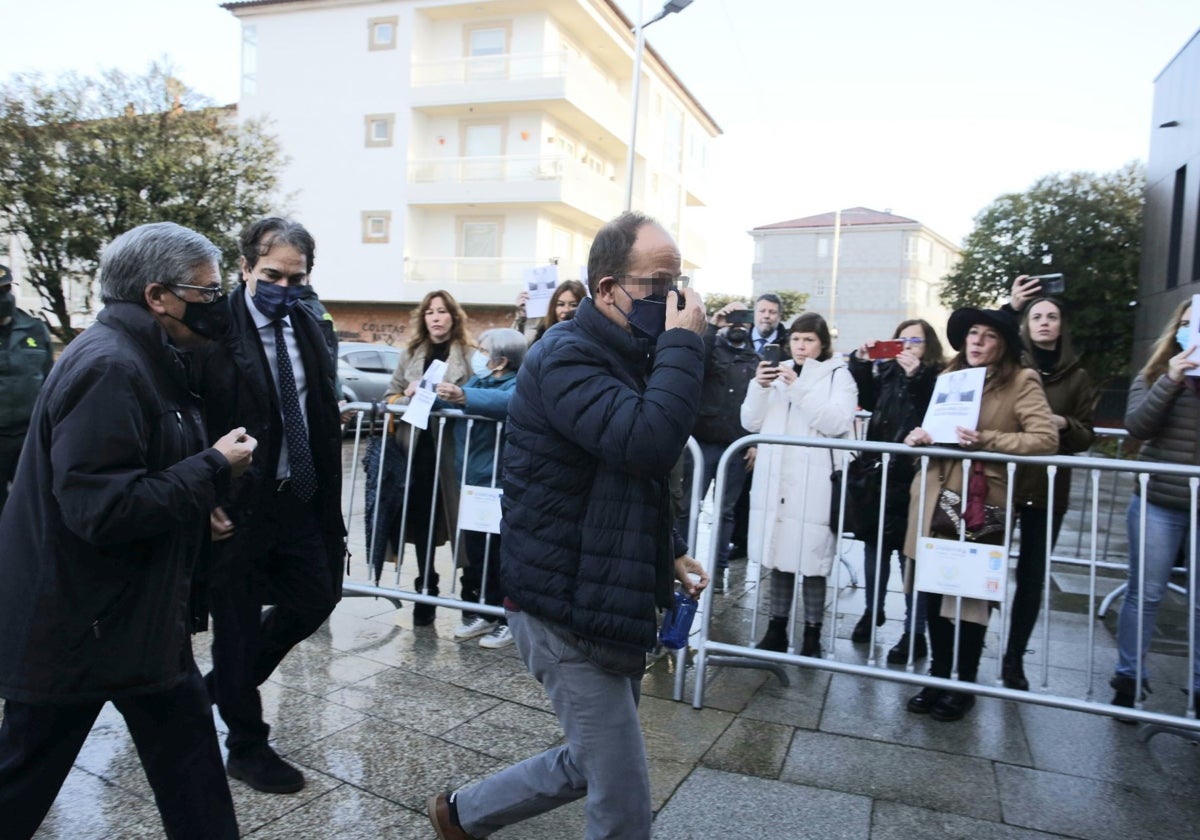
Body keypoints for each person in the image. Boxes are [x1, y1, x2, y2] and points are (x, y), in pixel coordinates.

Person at [426, 211, 709, 840]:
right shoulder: (565, 357)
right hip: (564, 605)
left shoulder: (632, 351)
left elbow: (624, 480)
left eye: (679, 282)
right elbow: (647, 443)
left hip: (606, 591)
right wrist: (684, 345)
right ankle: (462, 814)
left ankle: (463, 813)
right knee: (624, 799)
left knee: (593, 761)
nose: (676, 299)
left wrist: (669, 551)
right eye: (658, 285)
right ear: (607, 289)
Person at [0, 222, 256, 839]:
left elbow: (144, 469)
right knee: (21, 782)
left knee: (193, 774)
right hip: (78, 626)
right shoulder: (111, 365)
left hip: (137, 619)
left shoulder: (151, 356)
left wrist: (202, 506)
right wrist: (213, 465)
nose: (217, 302)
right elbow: (103, 510)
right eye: (206, 290)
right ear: (157, 295)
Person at [199, 217, 346, 794]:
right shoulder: (214, 328)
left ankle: (221, 687)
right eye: (271, 275)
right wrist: (203, 488)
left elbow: (317, 404)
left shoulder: (308, 321)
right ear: (244, 269)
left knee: (318, 595)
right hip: (237, 503)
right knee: (233, 626)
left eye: (297, 276)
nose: (284, 287)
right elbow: (186, 411)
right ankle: (246, 745)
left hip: (299, 496)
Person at [902, 307, 1056, 721]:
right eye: (973, 334)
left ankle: (964, 682)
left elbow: (1044, 438)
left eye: (988, 336)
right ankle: (937, 676)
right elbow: (939, 428)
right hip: (935, 493)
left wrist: (986, 440)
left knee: (970, 595)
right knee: (933, 590)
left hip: (979, 502)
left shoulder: (1022, 380)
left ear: (1003, 344)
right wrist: (921, 436)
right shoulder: (951, 377)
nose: (977, 342)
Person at [741, 312, 858, 657]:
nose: (801, 346)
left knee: (812, 558)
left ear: (822, 343)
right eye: (796, 339)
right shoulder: (778, 375)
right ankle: (776, 628)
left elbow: (837, 421)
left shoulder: (838, 376)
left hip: (814, 480)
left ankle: (812, 634)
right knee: (778, 553)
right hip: (777, 478)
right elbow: (751, 421)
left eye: (809, 339)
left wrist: (799, 388)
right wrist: (759, 387)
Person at [1002, 276, 1095, 690]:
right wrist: (1011, 305)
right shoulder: (1011, 364)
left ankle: (1014, 658)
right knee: (986, 567)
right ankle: (969, 647)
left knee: (1032, 576)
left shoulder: (1077, 377)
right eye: (1036, 315)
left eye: (1051, 316)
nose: (1043, 322)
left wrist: (1062, 424)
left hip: (1047, 490)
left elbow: (1086, 434)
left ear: (1061, 326)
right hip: (1002, 483)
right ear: (1025, 323)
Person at [1110, 298, 1200, 711]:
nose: (1191, 332)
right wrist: (1172, 380)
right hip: (1158, 502)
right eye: (1186, 324)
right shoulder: (1152, 373)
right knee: (1145, 594)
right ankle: (1129, 678)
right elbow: (1137, 426)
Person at [846, 319, 945, 658]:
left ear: (928, 343)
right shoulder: (886, 372)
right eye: (901, 339)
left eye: (915, 340)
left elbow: (933, 410)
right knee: (874, 550)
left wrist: (917, 375)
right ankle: (872, 610)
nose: (907, 345)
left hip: (914, 476)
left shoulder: (935, 376)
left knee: (910, 558)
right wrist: (861, 362)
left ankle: (914, 631)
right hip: (879, 473)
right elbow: (865, 397)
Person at [383, 289, 473, 625]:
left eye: (442, 311)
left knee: (460, 519)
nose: (436, 317)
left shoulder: (469, 353)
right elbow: (387, 396)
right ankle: (426, 587)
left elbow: (480, 394)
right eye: (430, 312)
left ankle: (470, 591)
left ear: (453, 316)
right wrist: (404, 394)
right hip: (416, 447)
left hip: (453, 448)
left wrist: (457, 395)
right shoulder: (410, 353)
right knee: (421, 517)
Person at [434, 328, 526, 650]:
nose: (478, 355)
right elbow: (450, 398)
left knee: (502, 553)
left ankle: (508, 619)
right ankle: (485, 611)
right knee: (477, 552)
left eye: (484, 351)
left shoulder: (519, 384)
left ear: (501, 361)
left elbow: (511, 402)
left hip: (500, 486)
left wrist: (464, 397)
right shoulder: (477, 381)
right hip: (472, 486)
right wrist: (425, 392)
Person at [675, 300, 761, 590]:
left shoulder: (757, 357)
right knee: (687, 506)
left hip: (736, 446)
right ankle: (680, 562)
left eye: (743, 320)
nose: (738, 325)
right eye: (734, 320)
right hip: (702, 444)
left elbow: (763, 403)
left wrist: (756, 442)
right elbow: (696, 354)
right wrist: (714, 324)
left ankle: (720, 568)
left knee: (726, 511)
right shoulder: (712, 349)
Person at [729, 293, 788, 560]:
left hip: (769, 432)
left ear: (779, 316)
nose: (767, 315)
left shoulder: (788, 346)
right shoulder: (736, 340)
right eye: (763, 310)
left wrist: (757, 441)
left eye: (773, 312)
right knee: (735, 496)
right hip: (736, 428)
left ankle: (759, 546)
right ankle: (737, 543)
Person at [0, 264, 53, 515]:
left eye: (6, 289)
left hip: (28, 437)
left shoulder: (34, 328)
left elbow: (50, 382)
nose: (4, 297)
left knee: (32, 507)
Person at [512, 278, 586, 345]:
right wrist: (523, 319)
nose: (566, 310)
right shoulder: (544, 331)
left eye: (573, 305)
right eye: (561, 304)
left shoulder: (589, 335)